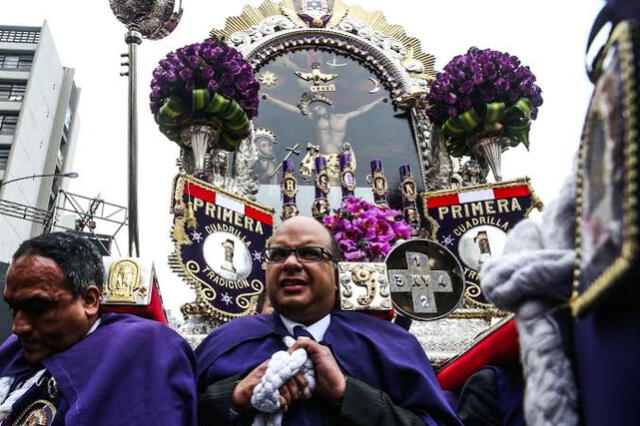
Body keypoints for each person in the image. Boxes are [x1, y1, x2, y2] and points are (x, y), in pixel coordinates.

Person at [197, 216, 461, 425]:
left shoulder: (388, 344)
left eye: (310, 253)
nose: (290, 263)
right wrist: (231, 398)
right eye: (278, 254)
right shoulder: (226, 344)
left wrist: (349, 395)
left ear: (336, 277)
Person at [0, 232, 197, 425]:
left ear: (89, 300)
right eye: (13, 307)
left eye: (37, 308)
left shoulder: (142, 349)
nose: (18, 328)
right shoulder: (15, 350)